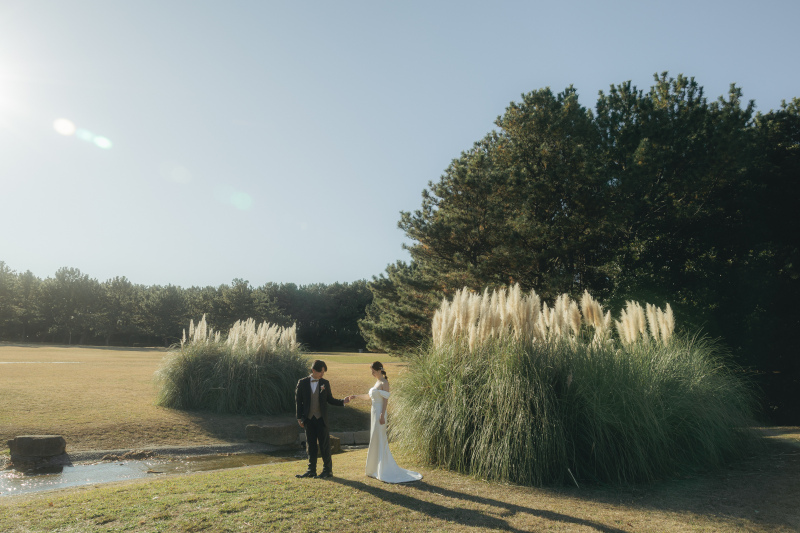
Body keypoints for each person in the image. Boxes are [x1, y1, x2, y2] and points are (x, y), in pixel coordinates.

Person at [348, 361, 422, 483]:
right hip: (374, 413)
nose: (371, 373)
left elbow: (385, 401)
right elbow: (368, 396)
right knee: (374, 438)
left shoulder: (384, 383)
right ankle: (374, 469)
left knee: (380, 438)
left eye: (373, 371)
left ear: (378, 370)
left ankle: (383, 469)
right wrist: (355, 396)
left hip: (380, 414)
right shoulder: (377, 382)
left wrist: (382, 414)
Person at [295, 359, 350, 479]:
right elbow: (299, 402)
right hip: (308, 419)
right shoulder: (302, 383)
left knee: (324, 445)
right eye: (321, 372)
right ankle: (311, 470)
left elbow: (330, 399)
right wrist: (299, 418)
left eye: (324, 372)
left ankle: (327, 471)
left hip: (321, 419)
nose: (322, 374)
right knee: (311, 445)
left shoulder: (325, 383)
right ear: (313, 370)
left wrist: (342, 402)